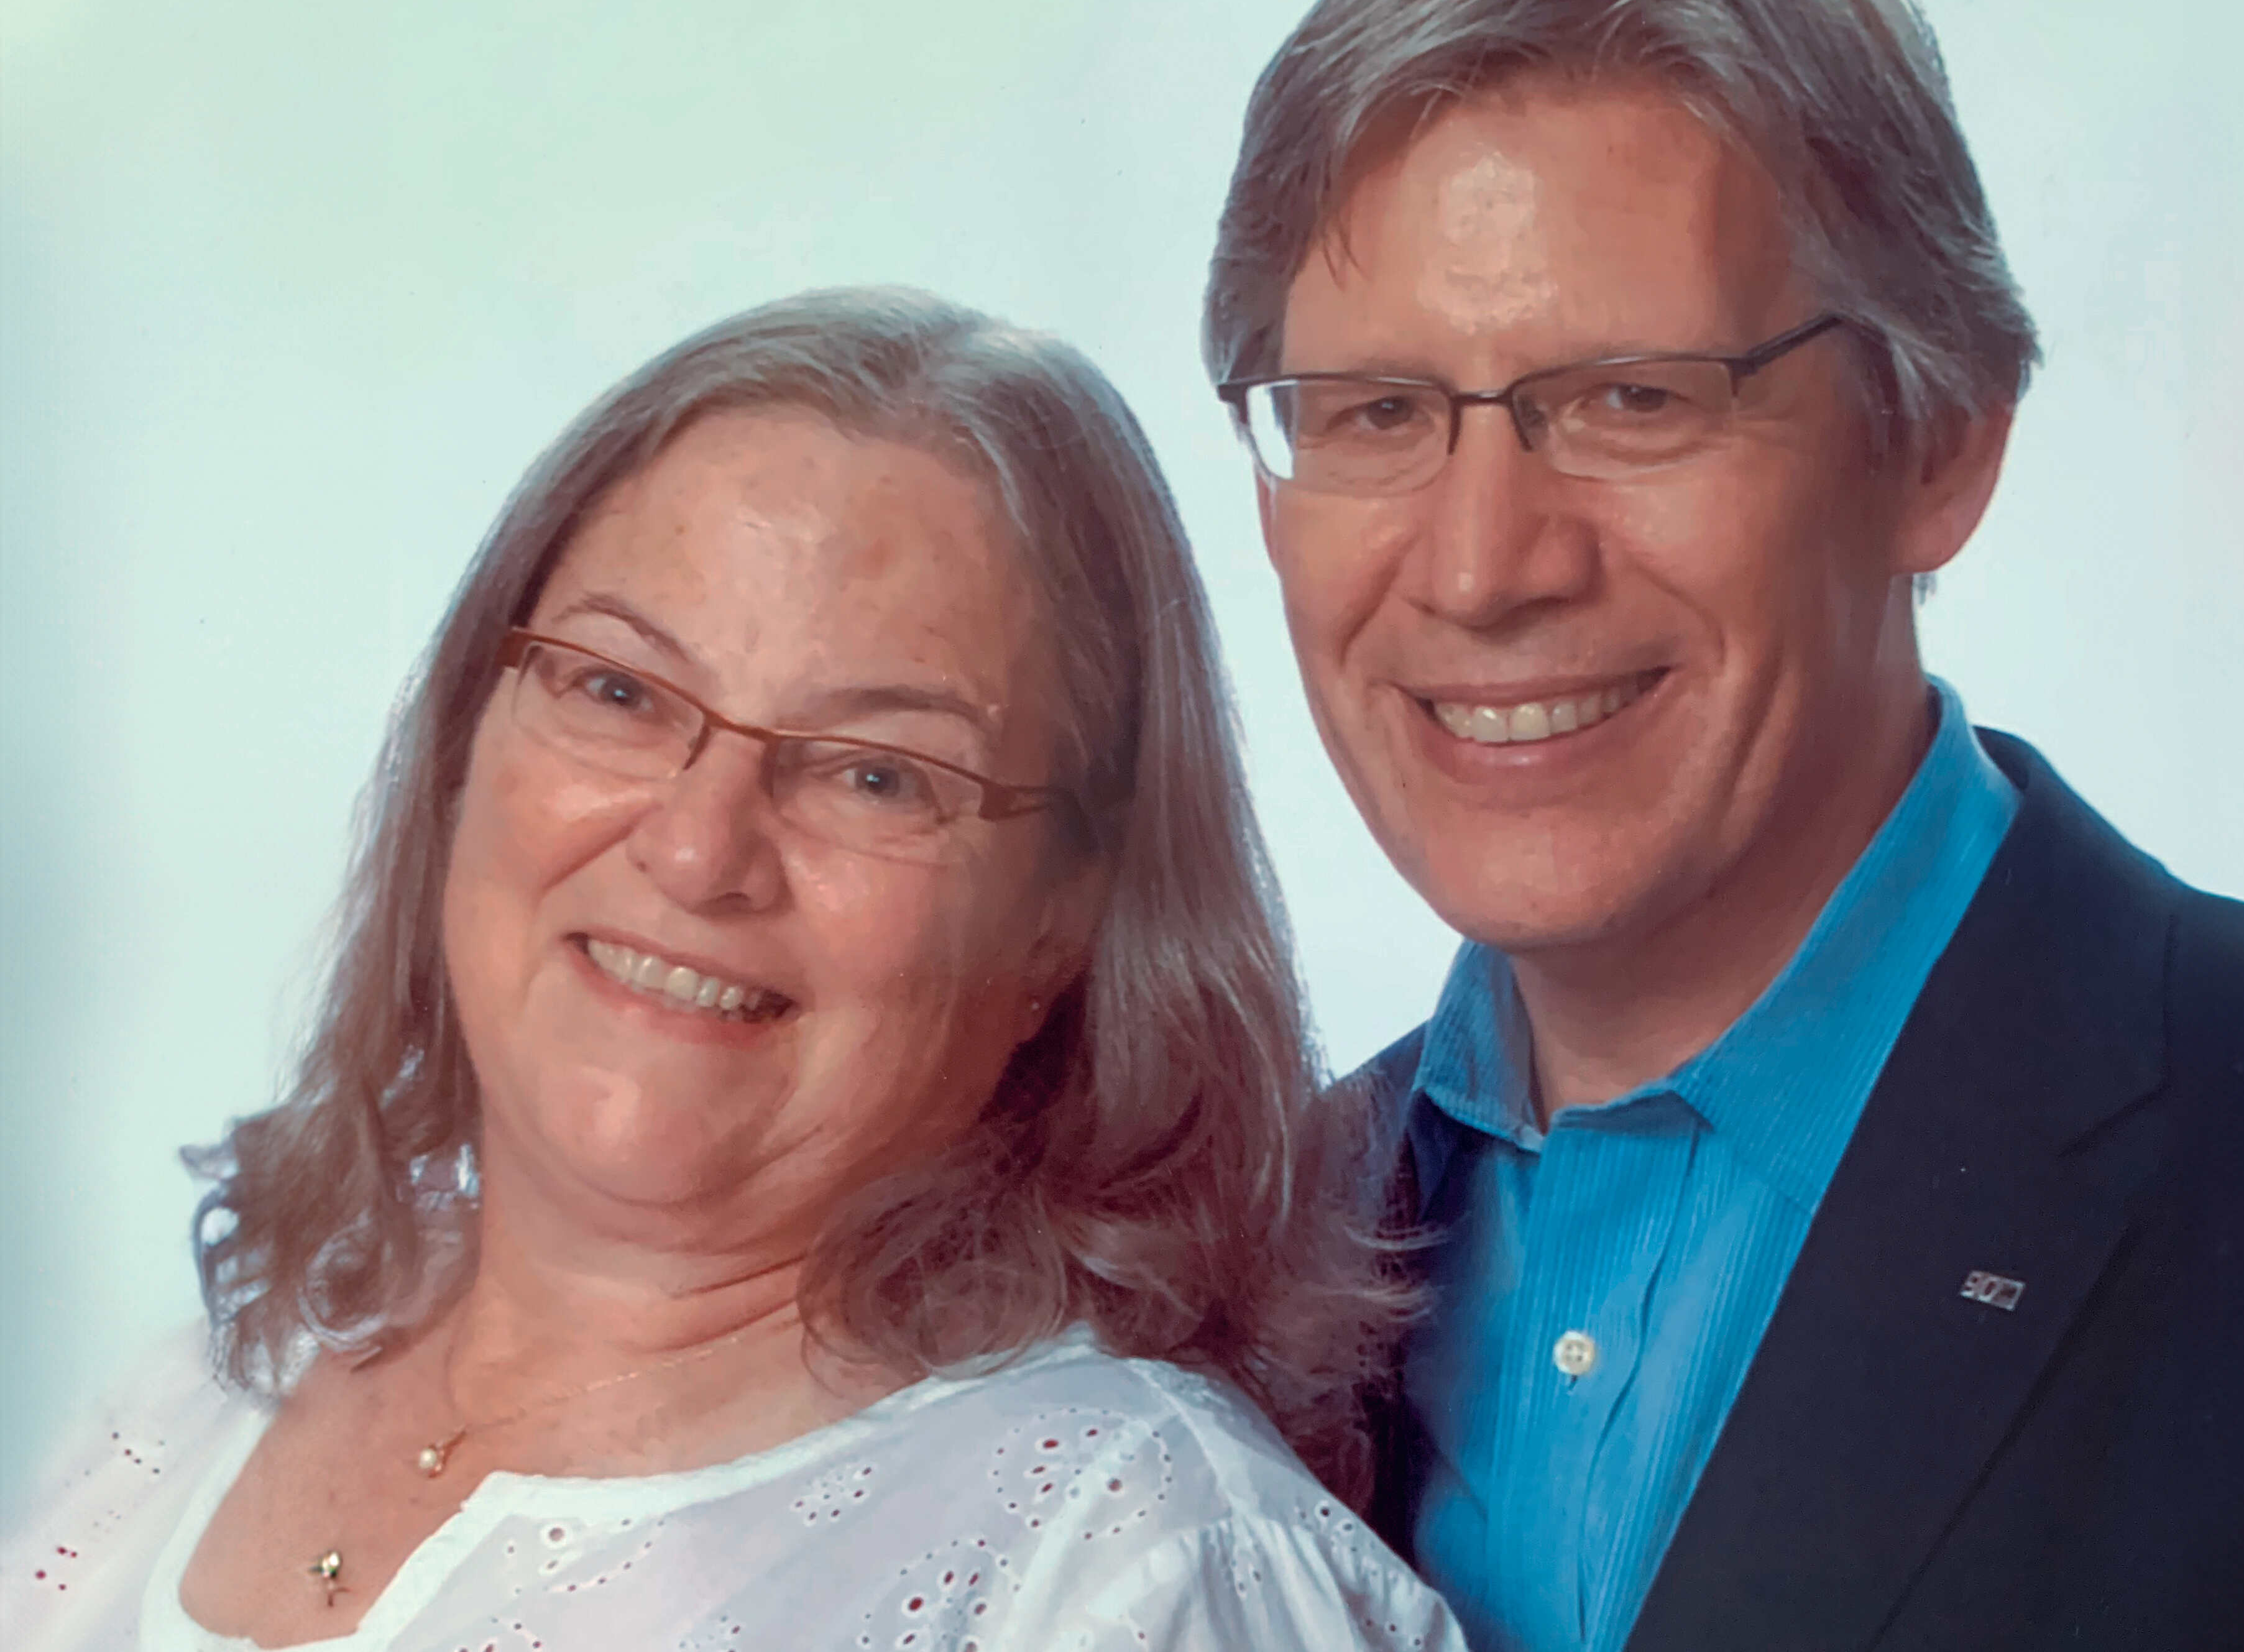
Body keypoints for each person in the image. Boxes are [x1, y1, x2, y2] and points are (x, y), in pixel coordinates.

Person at [1204, 0, 2244, 1652]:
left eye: (1632, 397)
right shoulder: (1224, 1265)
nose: (1481, 568)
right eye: (1374, 413)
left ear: (1934, 440)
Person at [0, 288, 1462, 1651]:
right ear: (464, 735)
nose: (699, 852)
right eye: (619, 690)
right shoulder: (188, 1400)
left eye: (876, 776)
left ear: (1065, 921)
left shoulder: (1133, 1560)